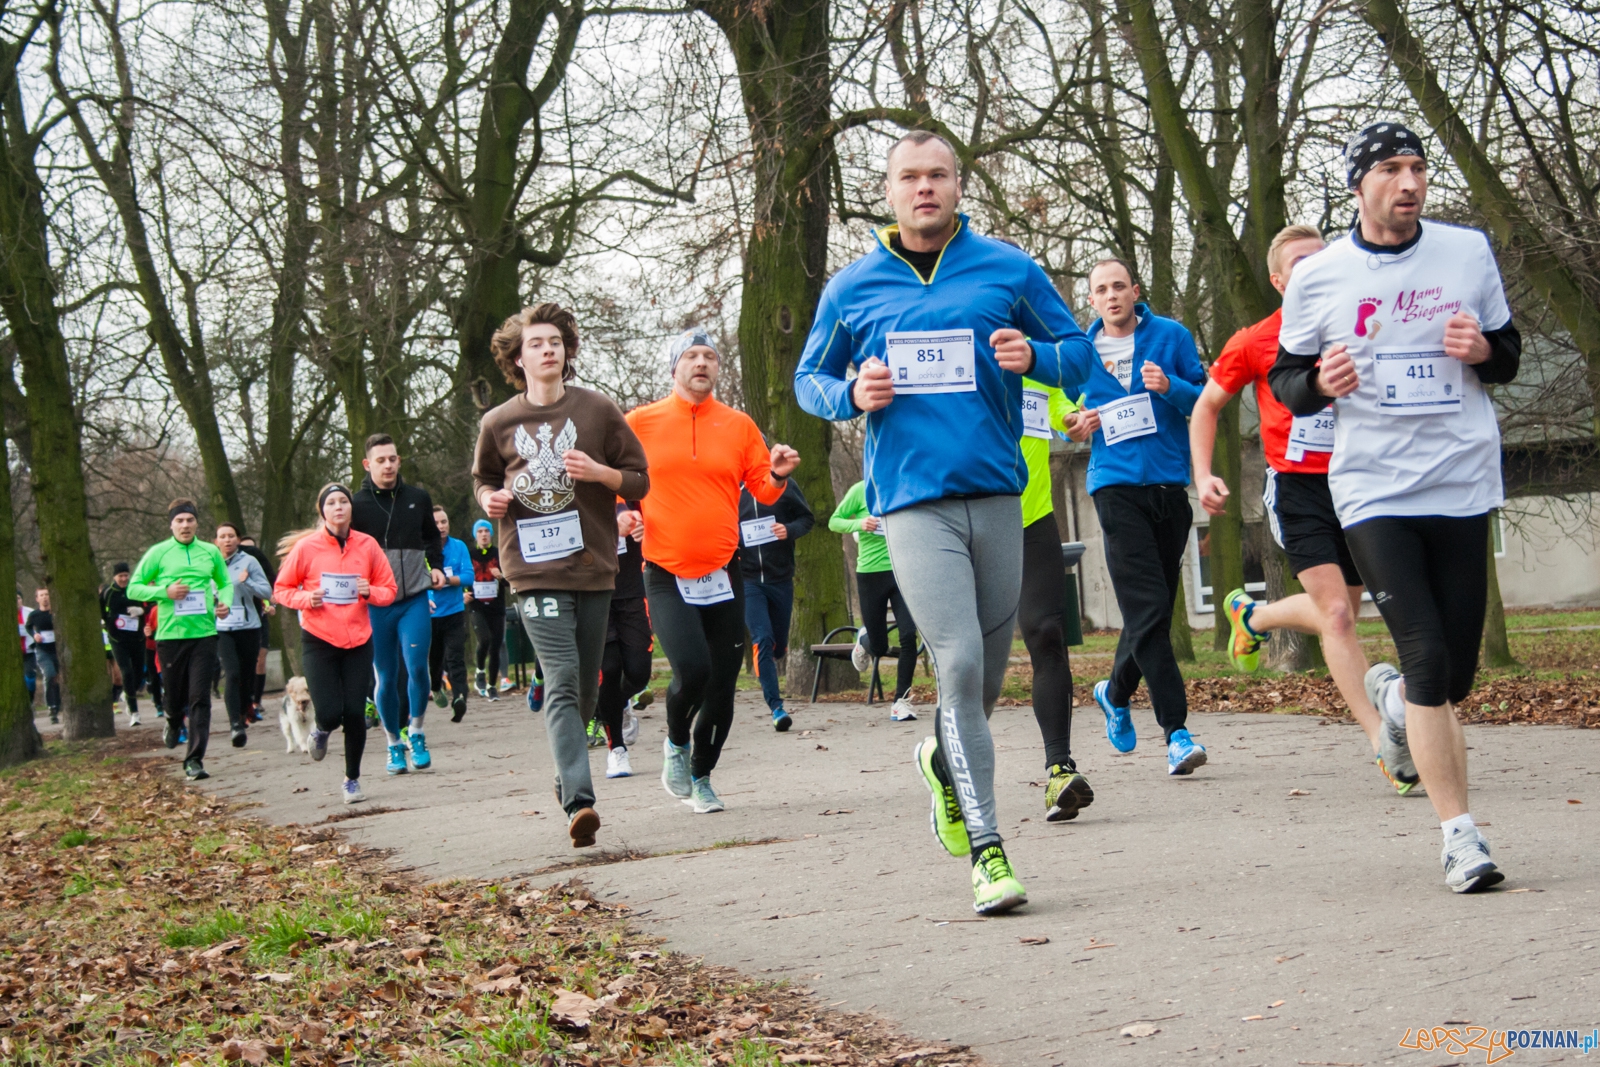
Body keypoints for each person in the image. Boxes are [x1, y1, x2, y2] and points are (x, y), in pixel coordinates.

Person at [794, 130, 1089, 915]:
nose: (924, 188)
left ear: (959, 187)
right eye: (909, 177)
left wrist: (1040, 358)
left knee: (985, 684)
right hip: (912, 503)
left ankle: (941, 757)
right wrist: (849, 396)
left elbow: (1081, 354)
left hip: (997, 493)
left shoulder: (1008, 268)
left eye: (938, 175)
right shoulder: (853, 287)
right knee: (955, 664)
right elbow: (808, 379)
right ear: (887, 192)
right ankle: (989, 850)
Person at [1269, 122, 1520, 892]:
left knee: (1456, 673)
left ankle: (1398, 701)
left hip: (1461, 477)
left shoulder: (1467, 252)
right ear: (1359, 186)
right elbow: (1286, 378)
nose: (1408, 183)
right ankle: (1461, 836)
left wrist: (1482, 350)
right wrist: (1320, 384)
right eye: (1390, 169)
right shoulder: (1322, 276)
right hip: (1373, 485)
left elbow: (1508, 355)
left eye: (1416, 168)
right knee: (1425, 653)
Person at [1189, 224, 1398, 790]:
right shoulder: (1256, 339)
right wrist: (1204, 473)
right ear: (1280, 281)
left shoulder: (1365, 324)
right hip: (1300, 488)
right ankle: (1384, 743)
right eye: (1299, 264)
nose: (1313, 270)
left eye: (1321, 260)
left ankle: (1252, 616)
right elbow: (1207, 406)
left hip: (1360, 481)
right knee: (1334, 616)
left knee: (1344, 616)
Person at [474, 302, 650, 849]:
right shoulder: (498, 422)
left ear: (566, 351)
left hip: (594, 566)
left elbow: (639, 481)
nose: (548, 349)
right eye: (536, 343)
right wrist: (491, 500)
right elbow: (481, 480)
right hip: (531, 569)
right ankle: (580, 799)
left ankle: (564, 773)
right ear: (518, 358)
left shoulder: (597, 410)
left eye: (556, 341)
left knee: (589, 690)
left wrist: (600, 474)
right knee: (563, 676)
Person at [630, 329, 797, 815]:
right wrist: (625, 511)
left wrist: (780, 473)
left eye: (710, 356)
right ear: (673, 368)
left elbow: (763, 491)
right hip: (665, 569)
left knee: (723, 684)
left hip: (725, 570)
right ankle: (676, 744)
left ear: (718, 369)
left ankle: (702, 777)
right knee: (693, 669)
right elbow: (614, 477)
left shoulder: (740, 425)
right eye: (691, 356)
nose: (702, 363)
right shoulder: (641, 422)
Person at [1060, 259, 1209, 777]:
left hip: (1169, 487)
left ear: (1135, 291)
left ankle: (1114, 690)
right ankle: (1177, 732)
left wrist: (1171, 387)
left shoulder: (1171, 336)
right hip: (1115, 489)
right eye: (1101, 289)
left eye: (1119, 286)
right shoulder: (1078, 352)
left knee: (1153, 611)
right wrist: (1076, 424)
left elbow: (1205, 400)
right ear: (1093, 301)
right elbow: (1065, 417)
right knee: (1148, 608)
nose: (1111, 295)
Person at [274, 483, 398, 804]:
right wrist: (305, 597)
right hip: (319, 639)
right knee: (329, 712)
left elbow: (389, 590)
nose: (339, 507)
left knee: (356, 712)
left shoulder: (368, 546)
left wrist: (370, 590)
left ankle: (352, 780)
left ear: (351, 509)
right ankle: (322, 729)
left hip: (358, 639)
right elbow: (282, 589)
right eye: (331, 503)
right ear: (323, 511)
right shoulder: (307, 548)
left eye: (344, 501)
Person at [1016, 377, 1095, 821]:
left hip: (1032, 520)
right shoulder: (950, 346)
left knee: (1047, 633)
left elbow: (1060, 408)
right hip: (967, 522)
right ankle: (952, 772)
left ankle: (1059, 769)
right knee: (969, 658)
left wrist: (1072, 420)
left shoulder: (1033, 363)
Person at [351, 433, 445, 775]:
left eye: (392, 458)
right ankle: (393, 743)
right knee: (386, 676)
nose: (388, 465)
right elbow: (345, 550)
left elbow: (432, 536)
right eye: (380, 460)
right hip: (377, 603)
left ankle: (416, 732)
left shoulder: (418, 498)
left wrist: (435, 566)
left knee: (418, 667)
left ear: (399, 460)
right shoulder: (356, 504)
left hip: (414, 597)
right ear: (367, 464)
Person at [127, 499, 234, 780]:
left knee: (200, 697)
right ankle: (173, 722)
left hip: (204, 635)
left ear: (197, 523)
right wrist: (165, 591)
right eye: (179, 521)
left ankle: (194, 760)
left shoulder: (210, 552)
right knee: (173, 697)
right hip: (171, 636)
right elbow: (134, 588)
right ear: (171, 524)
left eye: (189, 520)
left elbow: (225, 582)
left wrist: (225, 603)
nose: (185, 525)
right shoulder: (158, 553)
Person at [830, 481, 919, 721]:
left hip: (902, 572)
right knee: (879, 647)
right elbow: (834, 521)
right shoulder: (860, 490)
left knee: (909, 635)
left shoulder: (903, 485)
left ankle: (901, 701)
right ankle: (866, 641)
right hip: (870, 574)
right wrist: (860, 524)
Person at [738, 476, 814, 732]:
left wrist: (788, 530)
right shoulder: (729, 488)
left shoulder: (784, 485)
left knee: (777, 646)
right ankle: (777, 708)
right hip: (747, 580)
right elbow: (716, 526)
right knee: (763, 638)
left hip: (780, 578)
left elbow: (807, 519)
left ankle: (774, 652)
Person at [595, 501, 652, 778]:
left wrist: (645, 527)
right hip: (596, 591)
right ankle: (616, 748)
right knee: (608, 668)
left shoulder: (634, 482)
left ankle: (614, 703)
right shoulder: (579, 482)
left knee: (639, 673)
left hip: (632, 590)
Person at [213, 522, 274, 748]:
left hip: (249, 626)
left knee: (247, 675)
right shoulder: (210, 565)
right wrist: (214, 607)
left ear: (238, 539)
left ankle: (245, 706)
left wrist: (246, 581)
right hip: (223, 628)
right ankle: (235, 724)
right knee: (233, 673)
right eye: (222, 536)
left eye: (231, 536)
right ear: (215, 541)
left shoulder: (250, 562)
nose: (227, 540)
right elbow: (204, 595)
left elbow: (266, 591)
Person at [427, 507, 473, 722]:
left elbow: (468, 577)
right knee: (435, 659)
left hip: (454, 612)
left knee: (455, 656)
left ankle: (460, 697)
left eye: (444, 522)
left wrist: (448, 581)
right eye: (436, 523)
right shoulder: (422, 548)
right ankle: (436, 687)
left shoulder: (459, 546)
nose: (441, 526)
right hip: (430, 614)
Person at [100, 564, 149, 726]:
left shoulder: (136, 589)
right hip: (117, 640)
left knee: (139, 674)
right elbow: (99, 611)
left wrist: (141, 610)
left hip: (137, 638)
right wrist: (104, 622)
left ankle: (128, 694)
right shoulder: (108, 593)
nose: (124, 579)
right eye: (120, 576)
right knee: (126, 672)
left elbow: (152, 605)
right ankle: (134, 712)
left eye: (126, 575)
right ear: (114, 577)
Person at [237, 534, 277, 722]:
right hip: (236, 619)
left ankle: (256, 702)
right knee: (242, 664)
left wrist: (271, 605)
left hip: (259, 617)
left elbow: (269, 588)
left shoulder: (258, 563)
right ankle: (242, 702)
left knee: (260, 658)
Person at [467, 520, 507, 702]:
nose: (484, 534)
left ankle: (492, 687)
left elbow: (511, 582)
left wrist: (501, 576)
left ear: (491, 534)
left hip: (497, 606)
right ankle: (479, 672)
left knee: (496, 646)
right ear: (475, 535)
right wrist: (464, 593)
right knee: (484, 639)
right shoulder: (469, 554)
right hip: (477, 606)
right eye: (480, 531)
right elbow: (464, 576)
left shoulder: (500, 554)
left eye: (487, 531)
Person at [25, 589, 60, 724]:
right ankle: (51, 707)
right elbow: (28, 627)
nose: (45, 598)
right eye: (42, 595)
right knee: (50, 674)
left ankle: (57, 706)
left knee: (57, 678)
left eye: (47, 595)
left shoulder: (57, 613)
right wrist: (35, 635)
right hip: (42, 651)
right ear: (37, 599)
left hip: (58, 650)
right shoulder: (34, 615)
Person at [17, 592, 37, 707]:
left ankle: (30, 700)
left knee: (30, 679)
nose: (17, 601)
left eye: (19, 598)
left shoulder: (30, 612)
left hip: (29, 651)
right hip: (12, 654)